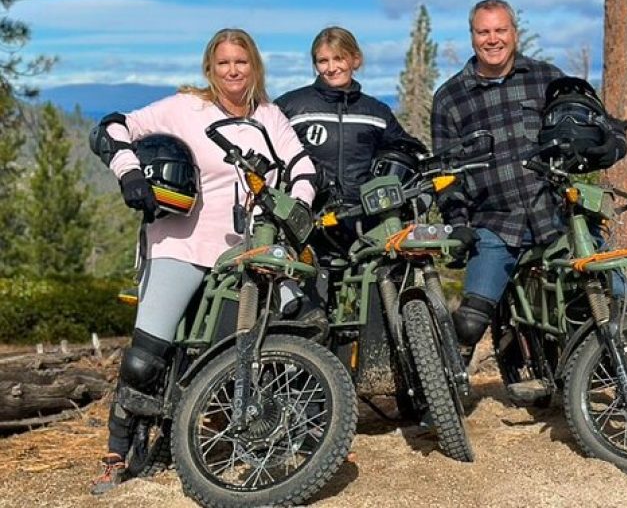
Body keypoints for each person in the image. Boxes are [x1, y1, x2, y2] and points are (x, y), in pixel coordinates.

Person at [88, 28, 316, 494]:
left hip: (250, 251)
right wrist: (129, 173)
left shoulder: (270, 117)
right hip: (182, 242)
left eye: (242, 62)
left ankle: (304, 429)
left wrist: (296, 206)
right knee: (144, 360)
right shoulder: (185, 108)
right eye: (223, 63)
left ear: (255, 66)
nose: (233, 71)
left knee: (280, 336)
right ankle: (117, 450)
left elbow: (303, 167)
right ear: (209, 69)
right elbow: (113, 128)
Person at [431, 0, 627, 394]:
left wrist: (609, 145)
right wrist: (458, 223)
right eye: (483, 32)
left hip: (555, 214)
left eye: (500, 30)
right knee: (470, 320)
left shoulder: (545, 78)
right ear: (472, 37)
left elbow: (591, 124)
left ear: (514, 33)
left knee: (617, 289)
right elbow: (445, 175)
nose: (493, 39)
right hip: (494, 223)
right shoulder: (450, 97)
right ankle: (442, 397)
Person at [274, 26, 426, 256]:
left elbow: (406, 151)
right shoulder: (291, 106)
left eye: (339, 58)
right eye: (323, 61)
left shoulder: (377, 112)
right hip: (308, 222)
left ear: (355, 60)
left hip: (364, 223)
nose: (331, 68)